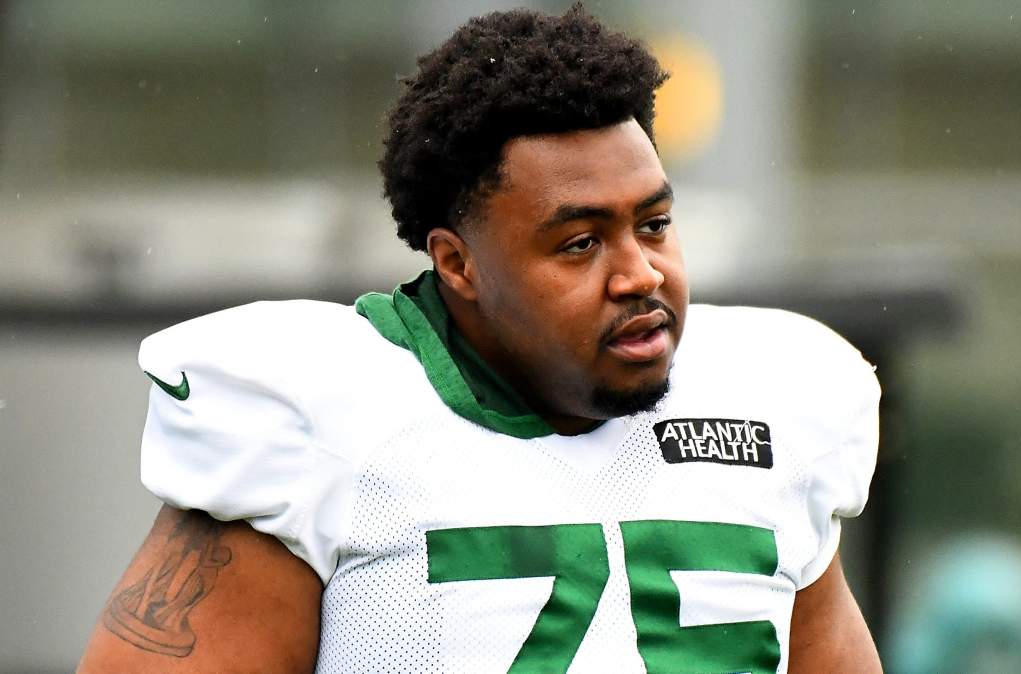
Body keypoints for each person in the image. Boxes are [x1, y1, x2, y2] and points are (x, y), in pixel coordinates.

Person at [78, 5, 882, 673]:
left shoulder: (777, 402)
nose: (640, 274)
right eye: (580, 243)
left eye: (654, 224)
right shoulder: (316, 424)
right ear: (457, 264)